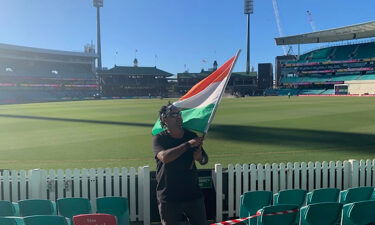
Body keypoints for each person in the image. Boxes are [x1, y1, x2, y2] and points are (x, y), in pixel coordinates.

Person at [152, 103, 209, 225]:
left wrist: (200, 158)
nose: (178, 117)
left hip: (193, 194)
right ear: (164, 119)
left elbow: (205, 160)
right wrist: (188, 144)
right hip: (169, 196)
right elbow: (165, 157)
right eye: (173, 115)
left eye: (179, 114)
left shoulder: (191, 135)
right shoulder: (159, 139)